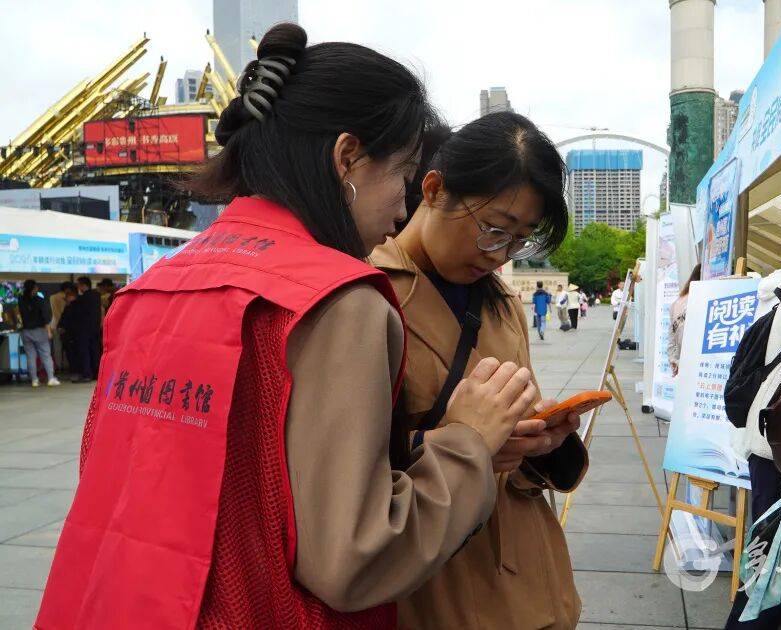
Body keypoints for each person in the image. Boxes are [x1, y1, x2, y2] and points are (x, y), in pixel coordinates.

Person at [36, 24, 536, 629]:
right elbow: (353, 557)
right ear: (347, 157)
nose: (403, 207)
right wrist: (469, 443)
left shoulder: (150, 288)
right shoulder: (339, 302)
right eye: (401, 173)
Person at [373, 111, 587, 629]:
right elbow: (344, 475)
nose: (500, 254)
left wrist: (541, 439)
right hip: (440, 583)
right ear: (434, 188)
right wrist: (465, 441)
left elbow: (513, 432)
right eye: (494, 229)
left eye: (521, 239)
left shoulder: (502, 302)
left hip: (531, 570)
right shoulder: (369, 294)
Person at [17, 279, 59, 387]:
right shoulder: (40, 300)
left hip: (25, 331)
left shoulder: (20, 300)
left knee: (30, 356)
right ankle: (50, 378)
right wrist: (49, 331)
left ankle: (34, 380)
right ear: (34, 288)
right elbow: (46, 318)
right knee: (45, 355)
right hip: (39, 331)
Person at [668, 264, 700, 376]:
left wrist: (673, 359)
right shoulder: (700, 300)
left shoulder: (677, 302)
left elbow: (671, 335)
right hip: (695, 360)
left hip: (682, 360)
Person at [69, 276, 102, 383]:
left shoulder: (81, 299)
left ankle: (87, 373)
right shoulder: (97, 296)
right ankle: (97, 373)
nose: (78, 287)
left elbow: (77, 314)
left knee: (84, 352)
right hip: (96, 328)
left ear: (83, 285)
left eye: (78, 285)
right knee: (95, 351)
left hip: (84, 330)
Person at [49, 281, 73, 372]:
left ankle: (59, 366)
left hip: (54, 324)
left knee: (57, 347)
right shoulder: (67, 297)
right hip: (65, 324)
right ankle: (68, 365)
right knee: (68, 347)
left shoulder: (52, 297)